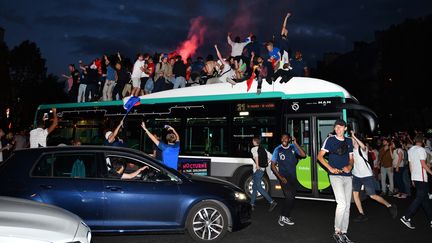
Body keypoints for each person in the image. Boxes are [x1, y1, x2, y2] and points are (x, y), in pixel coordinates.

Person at [317, 119, 354, 243]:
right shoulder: (330, 140)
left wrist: (349, 166)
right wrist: (330, 168)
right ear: (334, 128)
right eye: (336, 127)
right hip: (335, 176)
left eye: (341, 127)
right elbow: (319, 156)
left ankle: (344, 232)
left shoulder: (349, 141)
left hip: (347, 176)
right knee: (342, 203)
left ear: (345, 129)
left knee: (347, 206)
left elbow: (351, 159)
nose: (338, 129)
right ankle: (337, 231)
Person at [350, 131, 398, 223]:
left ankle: (389, 205)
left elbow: (363, 146)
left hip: (366, 175)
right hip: (356, 175)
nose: (352, 140)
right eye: (352, 139)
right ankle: (361, 214)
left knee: (372, 195)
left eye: (353, 139)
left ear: (357, 139)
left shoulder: (363, 148)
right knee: (355, 194)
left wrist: (354, 137)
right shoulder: (351, 151)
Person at [271, 133, 306, 226]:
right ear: (281, 140)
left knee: (292, 198)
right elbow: (273, 166)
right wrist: (280, 177)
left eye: (286, 138)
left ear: (289, 139)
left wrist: (296, 143)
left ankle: (285, 215)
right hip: (284, 178)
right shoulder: (277, 149)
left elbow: (303, 155)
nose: (284, 139)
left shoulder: (292, 147)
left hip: (293, 177)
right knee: (289, 197)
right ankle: (283, 216)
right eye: (282, 138)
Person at [400, 135, 432, 229]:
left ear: (414, 140)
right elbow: (423, 165)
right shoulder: (421, 150)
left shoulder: (410, 150)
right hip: (422, 178)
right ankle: (406, 217)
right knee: (419, 198)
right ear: (423, 140)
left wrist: (412, 179)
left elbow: (410, 165)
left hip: (415, 177)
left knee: (425, 200)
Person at [250, 137, 278, 212]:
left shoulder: (253, 149)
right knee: (255, 187)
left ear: (255, 142)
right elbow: (272, 157)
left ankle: (272, 202)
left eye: (253, 141)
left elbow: (256, 157)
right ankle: (252, 204)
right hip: (262, 170)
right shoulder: (263, 149)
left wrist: (258, 165)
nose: (252, 142)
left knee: (258, 187)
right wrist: (266, 163)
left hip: (257, 170)